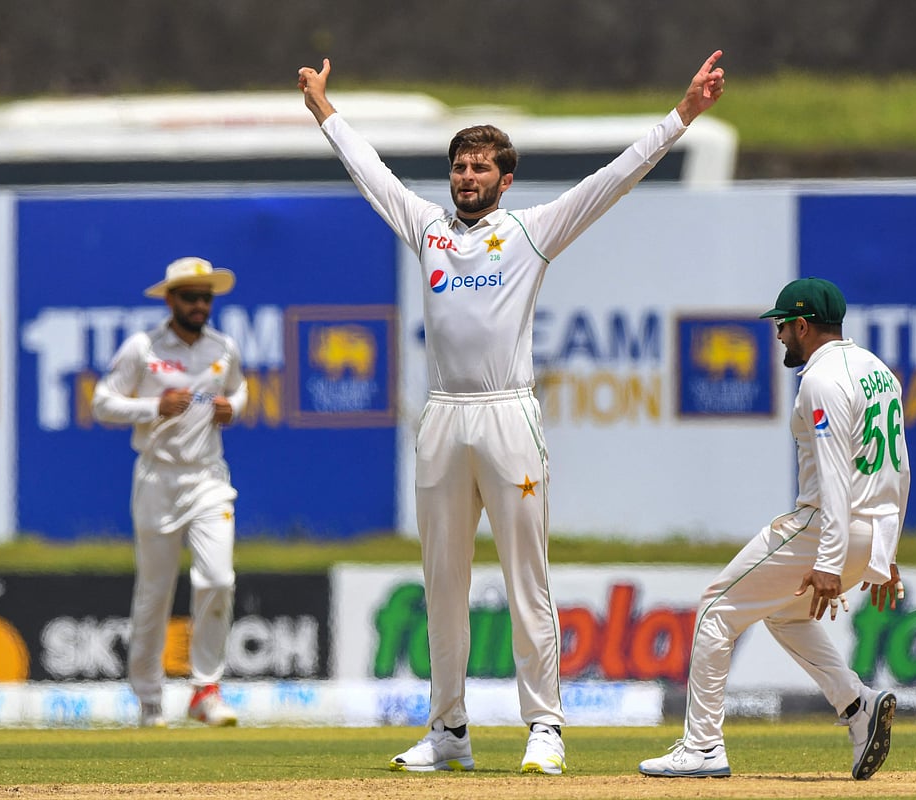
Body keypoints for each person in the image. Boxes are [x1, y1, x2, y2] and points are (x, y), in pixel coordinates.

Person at [297, 52, 725, 774]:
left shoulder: (530, 232)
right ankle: (448, 733)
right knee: (442, 583)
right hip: (442, 418)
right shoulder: (428, 229)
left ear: (506, 178)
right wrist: (323, 112)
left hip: (505, 415)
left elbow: (612, 180)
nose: (467, 177)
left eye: (480, 167)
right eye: (460, 166)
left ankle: (545, 728)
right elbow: (373, 175)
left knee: (527, 576)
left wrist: (682, 115)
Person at [639, 277, 910, 781]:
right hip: (871, 531)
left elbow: (833, 478)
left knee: (716, 609)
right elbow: (899, 469)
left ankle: (702, 747)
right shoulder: (879, 372)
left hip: (826, 528)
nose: (780, 336)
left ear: (803, 326)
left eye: (784, 326)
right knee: (785, 615)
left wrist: (829, 563)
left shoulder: (821, 380)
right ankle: (857, 706)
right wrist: (885, 553)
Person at [92, 256, 248, 728]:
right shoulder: (143, 347)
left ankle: (205, 689)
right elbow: (102, 403)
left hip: (207, 477)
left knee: (218, 579)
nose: (200, 305)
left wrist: (231, 409)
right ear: (171, 299)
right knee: (154, 595)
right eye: (190, 297)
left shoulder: (224, 346)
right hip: (157, 477)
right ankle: (150, 702)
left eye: (206, 297)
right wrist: (153, 406)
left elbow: (240, 391)